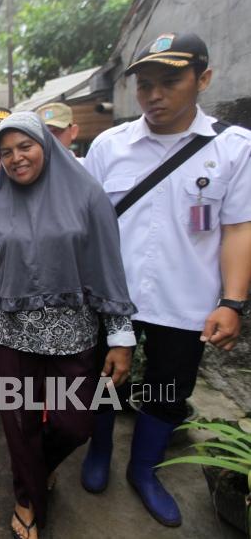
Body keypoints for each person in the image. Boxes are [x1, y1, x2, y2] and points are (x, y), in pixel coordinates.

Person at [80, 32, 251, 528]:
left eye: (170, 81)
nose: (154, 94)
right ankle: (99, 453)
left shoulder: (233, 148)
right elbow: (85, 225)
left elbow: (239, 229)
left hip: (187, 300)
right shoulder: (110, 146)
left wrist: (232, 302)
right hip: (114, 299)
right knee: (103, 382)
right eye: (145, 84)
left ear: (204, 79)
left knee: (169, 390)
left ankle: (144, 470)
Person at [0, 112, 136, 539]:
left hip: (72, 334)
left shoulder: (87, 196)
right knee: (19, 423)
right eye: (5, 152)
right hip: (9, 334)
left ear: (47, 146)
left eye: (25, 147)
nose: (16, 159)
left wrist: (120, 335)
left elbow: (108, 266)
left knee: (77, 423)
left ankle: (38, 468)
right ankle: (27, 498)